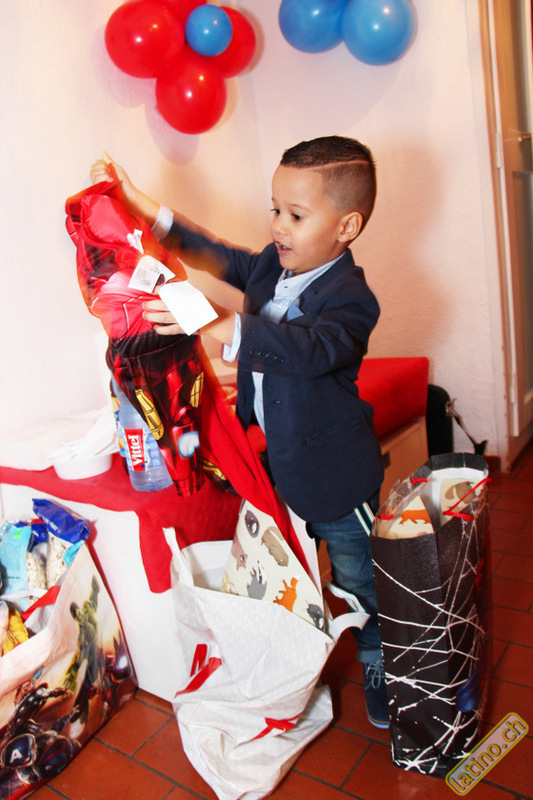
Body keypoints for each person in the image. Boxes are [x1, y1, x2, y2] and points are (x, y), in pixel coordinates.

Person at [90, 135, 388, 728]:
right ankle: (298, 656)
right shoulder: (270, 266)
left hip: (337, 477)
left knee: (359, 580)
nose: (277, 225)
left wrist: (219, 323)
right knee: (291, 572)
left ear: (347, 226)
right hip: (277, 468)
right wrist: (140, 203)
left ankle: (379, 655)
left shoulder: (353, 300)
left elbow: (309, 350)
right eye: (275, 208)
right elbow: (209, 249)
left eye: (296, 215)